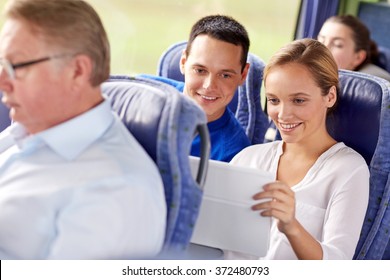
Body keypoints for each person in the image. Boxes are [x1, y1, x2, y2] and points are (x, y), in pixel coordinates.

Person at [0, 0, 166, 259]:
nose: (2, 82)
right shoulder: (24, 133)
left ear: (77, 71)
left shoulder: (117, 190)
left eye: (15, 67)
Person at [226, 38, 369, 260]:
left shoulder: (348, 170)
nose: (283, 115)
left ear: (329, 96)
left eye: (299, 100)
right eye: (274, 100)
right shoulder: (248, 159)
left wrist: (291, 226)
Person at [141, 15, 251, 162]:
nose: (209, 86)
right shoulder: (139, 92)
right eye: (200, 70)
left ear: (243, 75)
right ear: (183, 62)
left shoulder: (235, 153)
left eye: (225, 75)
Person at [317, 14, 390, 82]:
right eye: (321, 40)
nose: (323, 48)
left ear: (358, 57)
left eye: (337, 44)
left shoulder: (372, 84)